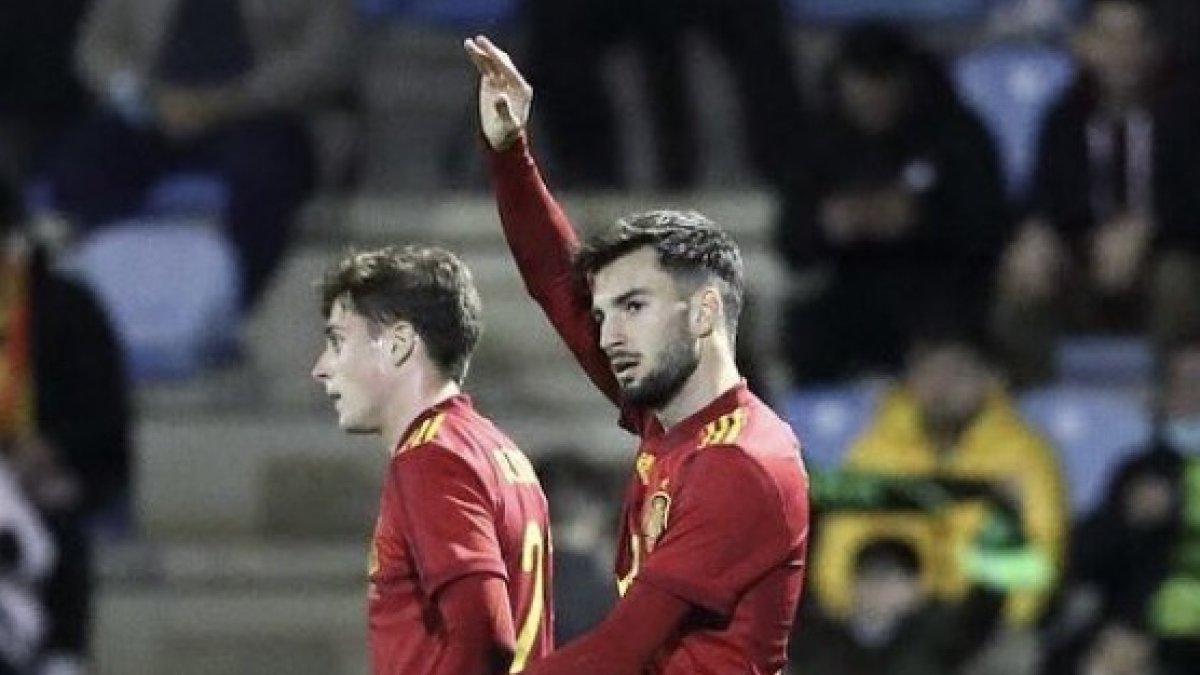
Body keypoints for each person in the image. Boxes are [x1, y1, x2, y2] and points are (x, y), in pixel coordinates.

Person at [466, 35, 810, 674]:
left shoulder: (744, 465)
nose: (609, 333)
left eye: (633, 307)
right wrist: (511, 154)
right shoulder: (670, 416)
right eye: (603, 314)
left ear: (704, 312)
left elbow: (621, 650)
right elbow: (553, 281)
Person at [310, 245, 553, 675]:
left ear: (399, 343)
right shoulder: (497, 449)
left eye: (338, 341)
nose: (321, 367)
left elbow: (485, 632)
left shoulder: (432, 458)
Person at [43, 0, 353, 307]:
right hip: (154, 113)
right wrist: (149, 97)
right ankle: (109, 298)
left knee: (266, 174)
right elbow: (94, 48)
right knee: (83, 163)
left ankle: (228, 308)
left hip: (261, 114)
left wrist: (228, 101)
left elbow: (326, 56)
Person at [774, 23, 1008, 384]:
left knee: (951, 321)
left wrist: (919, 219)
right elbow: (790, 240)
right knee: (807, 330)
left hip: (937, 284)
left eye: (882, 85)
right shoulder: (820, 139)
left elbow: (987, 224)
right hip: (855, 285)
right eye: (860, 85)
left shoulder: (955, 132)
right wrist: (829, 225)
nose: (871, 99)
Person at [993, 0, 1200, 385]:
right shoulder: (1064, 118)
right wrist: (1035, 232)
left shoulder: (1187, 114)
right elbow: (1044, 196)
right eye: (1108, 38)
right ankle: (1035, 405)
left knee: (1179, 281)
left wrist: (1149, 228)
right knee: (1019, 284)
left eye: (1133, 39)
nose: (1121, 53)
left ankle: (1172, 405)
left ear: (1155, 48)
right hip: (1083, 267)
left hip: (1166, 263)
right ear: (1084, 45)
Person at [812, 335, 1066, 628]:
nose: (941, 388)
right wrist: (846, 602)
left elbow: (1039, 545)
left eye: (957, 374)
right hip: (884, 617)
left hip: (982, 625)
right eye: (930, 373)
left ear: (986, 380)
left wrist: (1005, 621)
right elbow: (842, 537)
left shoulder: (1023, 454)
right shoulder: (875, 449)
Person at [1, 177, 131, 674]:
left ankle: (58, 656)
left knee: (54, 519)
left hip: (50, 472)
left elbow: (102, 414)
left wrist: (51, 449)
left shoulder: (66, 309)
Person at [788, 536, 1004, 675]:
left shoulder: (940, 641)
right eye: (871, 576)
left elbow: (986, 602)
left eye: (892, 580)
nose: (879, 589)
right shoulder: (817, 643)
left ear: (915, 590)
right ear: (854, 584)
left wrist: (1006, 515)